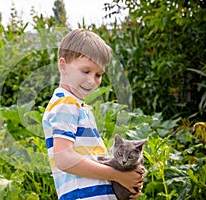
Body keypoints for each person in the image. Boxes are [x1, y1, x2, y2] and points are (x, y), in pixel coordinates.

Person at [42, 28, 145, 200]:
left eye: (98, 74)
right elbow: (64, 158)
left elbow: (87, 159)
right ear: (63, 65)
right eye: (86, 71)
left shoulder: (75, 105)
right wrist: (117, 175)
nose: (92, 80)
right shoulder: (66, 104)